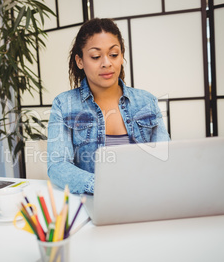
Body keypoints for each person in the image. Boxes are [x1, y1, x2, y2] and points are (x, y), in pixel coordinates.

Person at [47, 18, 169, 194]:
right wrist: (103, 187)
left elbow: (165, 157)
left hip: (146, 196)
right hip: (94, 201)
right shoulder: (64, 105)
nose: (106, 63)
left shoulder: (146, 102)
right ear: (80, 61)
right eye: (96, 56)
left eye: (113, 54)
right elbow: (57, 165)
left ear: (121, 57)